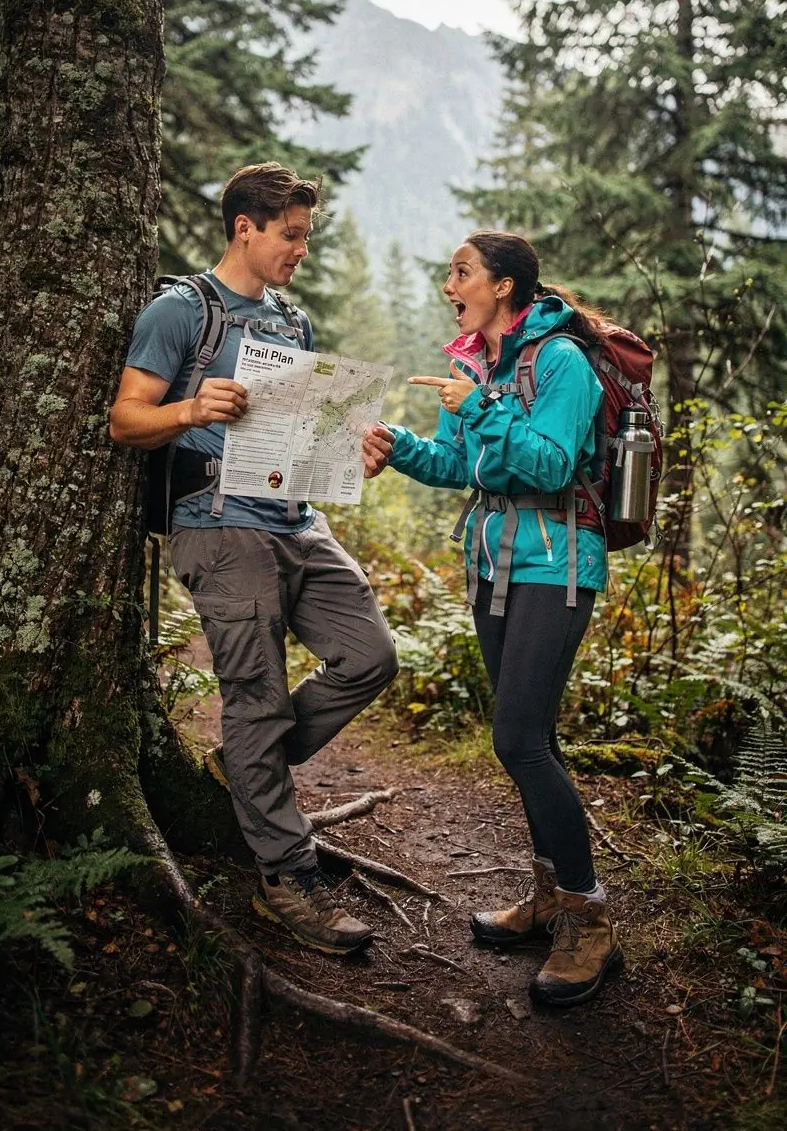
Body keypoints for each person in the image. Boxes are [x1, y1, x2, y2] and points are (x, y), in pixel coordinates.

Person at [110, 162, 398, 956]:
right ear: (246, 227)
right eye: (292, 235)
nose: (300, 250)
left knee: (371, 656)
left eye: (305, 236)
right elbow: (125, 420)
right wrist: (192, 407)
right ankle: (284, 878)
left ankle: (249, 767)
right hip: (217, 524)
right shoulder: (182, 311)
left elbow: (298, 439)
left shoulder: (289, 322)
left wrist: (352, 449)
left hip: (296, 519)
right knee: (257, 698)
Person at [362, 230, 623, 1007]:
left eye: (462, 271)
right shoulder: (474, 361)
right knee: (529, 740)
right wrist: (399, 444)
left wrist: (480, 405)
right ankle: (550, 899)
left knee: (516, 739)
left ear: (504, 286)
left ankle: (591, 922)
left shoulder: (562, 363)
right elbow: (458, 464)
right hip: (491, 563)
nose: (451, 283)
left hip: (557, 563)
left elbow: (548, 463)